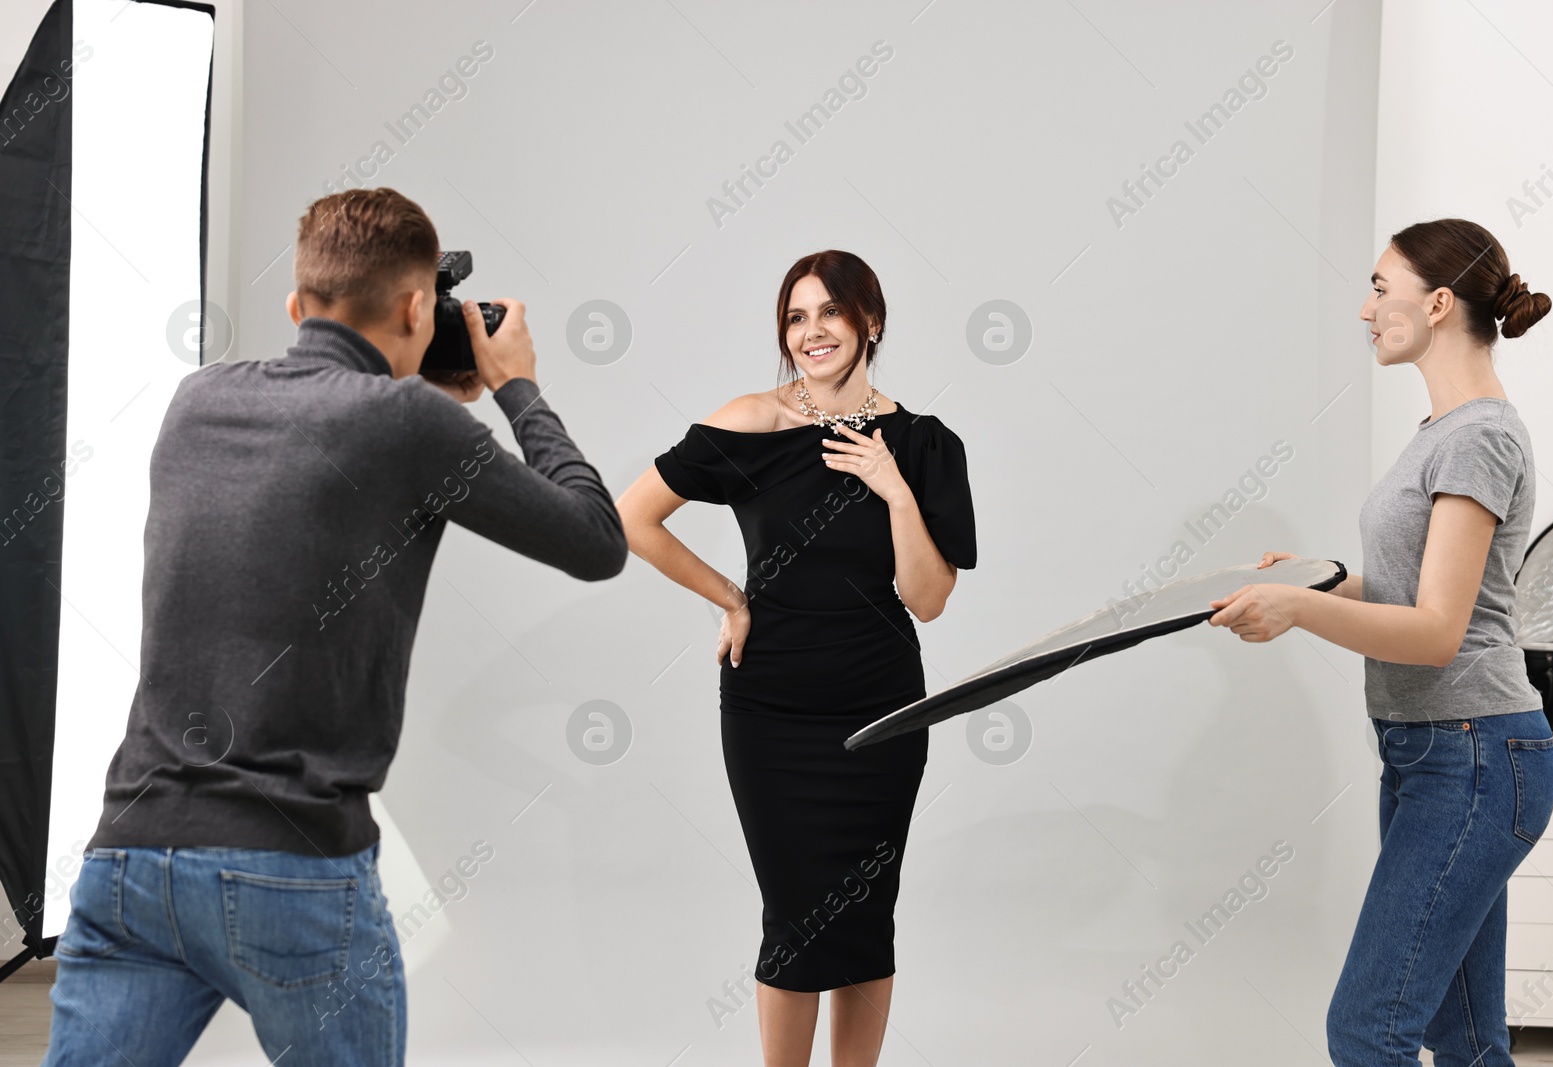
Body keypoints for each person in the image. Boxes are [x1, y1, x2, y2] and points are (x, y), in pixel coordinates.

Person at [42, 187, 626, 1066]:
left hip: (132, 856)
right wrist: (518, 387)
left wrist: (412, 378)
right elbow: (596, 540)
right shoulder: (409, 423)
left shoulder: (194, 402)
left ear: (295, 304)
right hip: (291, 868)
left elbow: (321, 436)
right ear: (416, 307)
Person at [1208, 218, 1553, 1066]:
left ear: (1437, 304)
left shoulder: (1477, 434)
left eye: (1377, 287)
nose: (1365, 309)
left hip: (1473, 756)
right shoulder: (1448, 431)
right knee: (1464, 1037)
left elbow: (1438, 634)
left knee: (1370, 1028)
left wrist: (1296, 613)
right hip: (1440, 753)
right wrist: (1317, 581)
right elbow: (1436, 598)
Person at [617, 250, 976, 1067]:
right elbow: (634, 517)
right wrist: (730, 597)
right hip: (770, 712)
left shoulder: (922, 445)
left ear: (870, 322)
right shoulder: (752, 422)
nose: (812, 331)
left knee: (863, 915)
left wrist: (892, 488)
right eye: (796, 316)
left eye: (830, 312)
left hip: (883, 710)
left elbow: (928, 597)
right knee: (794, 916)